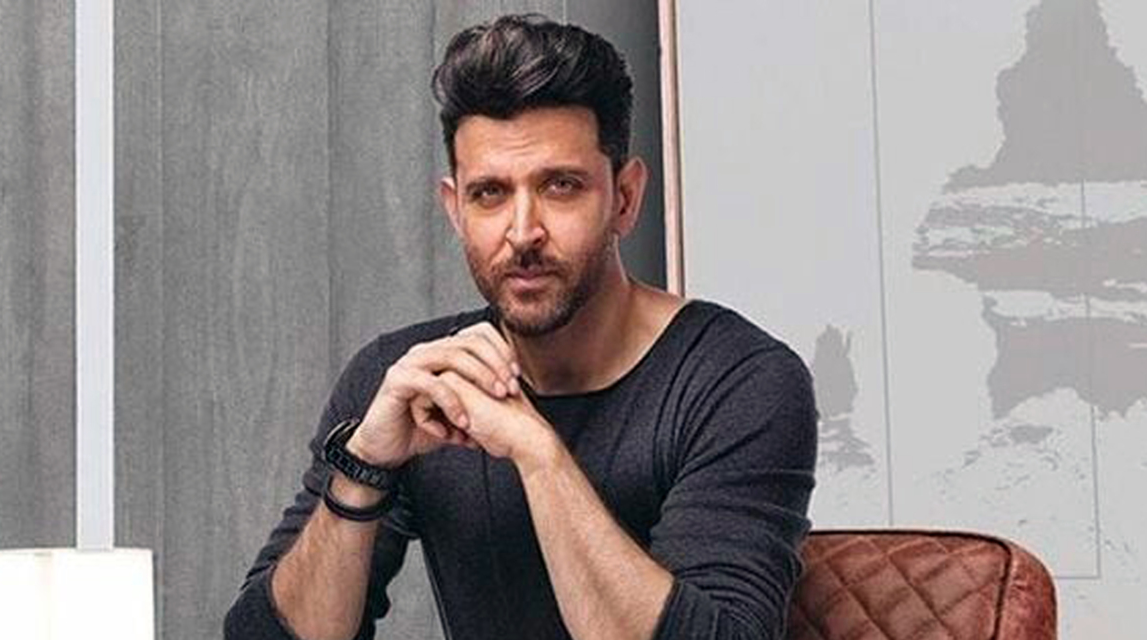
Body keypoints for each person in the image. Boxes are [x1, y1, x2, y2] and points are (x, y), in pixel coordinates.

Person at [224, 14, 816, 640]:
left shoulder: (741, 382)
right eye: (489, 194)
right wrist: (363, 467)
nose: (523, 232)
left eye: (560, 186)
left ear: (624, 198)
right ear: (455, 209)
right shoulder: (409, 380)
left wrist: (538, 455)